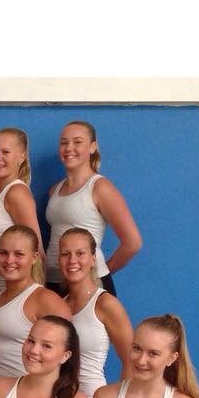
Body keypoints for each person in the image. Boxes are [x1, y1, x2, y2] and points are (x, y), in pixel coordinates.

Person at [44, 120, 142, 296]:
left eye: (77, 142)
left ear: (92, 147)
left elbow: (133, 243)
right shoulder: (54, 190)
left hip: (87, 285)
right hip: (53, 281)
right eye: (64, 143)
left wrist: (97, 273)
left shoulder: (100, 187)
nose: (69, 148)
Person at [0, 225, 71, 378]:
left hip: (24, 390)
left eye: (19, 254)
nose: (9, 260)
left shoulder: (46, 300)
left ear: (34, 257)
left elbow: (66, 355)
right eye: (3, 253)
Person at [58, 227, 134, 397]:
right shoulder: (58, 305)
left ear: (93, 259)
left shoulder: (106, 304)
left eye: (80, 253)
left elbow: (131, 361)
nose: (72, 260)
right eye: (65, 254)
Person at [0, 128, 44, 298]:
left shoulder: (17, 193)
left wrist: (34, 297)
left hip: (12, 291)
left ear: (22, 156)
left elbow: (37, 249)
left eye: (5, 152)